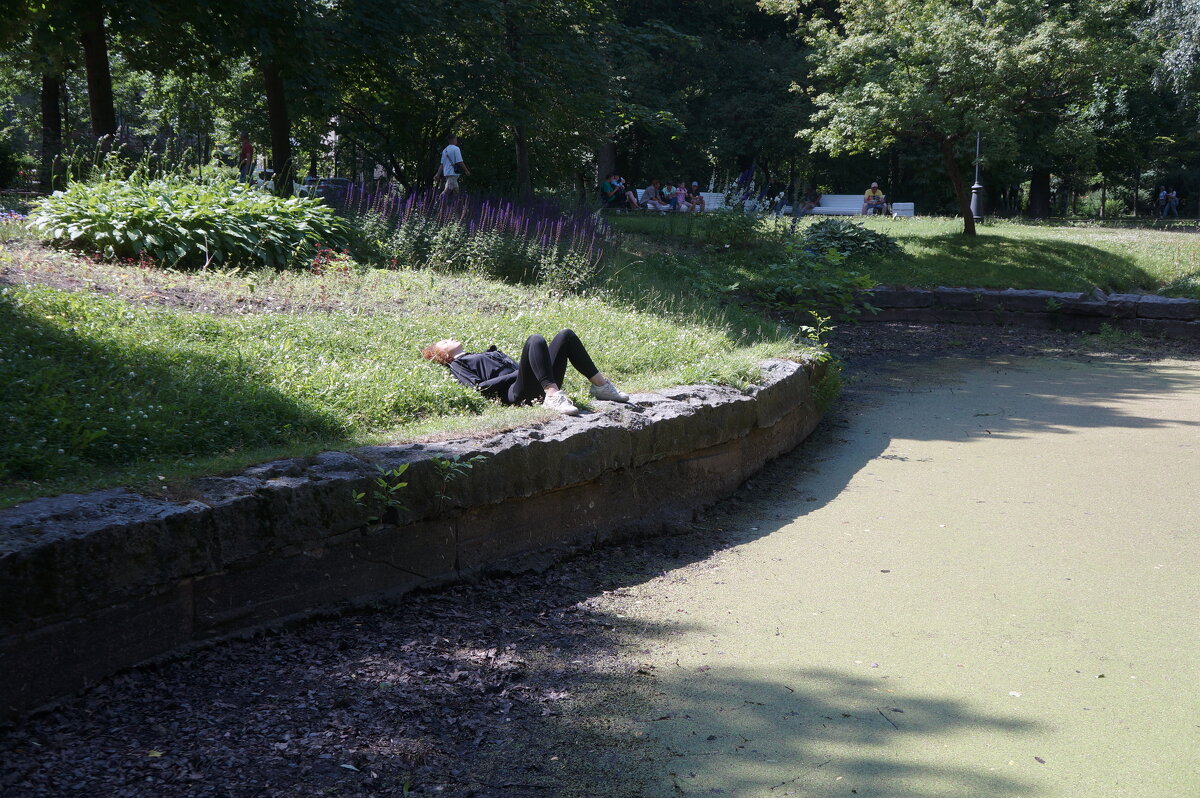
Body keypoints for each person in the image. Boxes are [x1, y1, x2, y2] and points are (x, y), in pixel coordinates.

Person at [422, 330, 630, 416]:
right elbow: (479, 387)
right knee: (535, 339)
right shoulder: (457, 365)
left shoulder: (483, 354)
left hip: (534, 382)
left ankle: (601, 386)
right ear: (442, 355)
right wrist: (518, 374)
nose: (449, 339)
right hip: (516, 393)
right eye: (443, 342)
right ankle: (552, 396)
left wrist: (528, 371)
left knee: (566, 335)